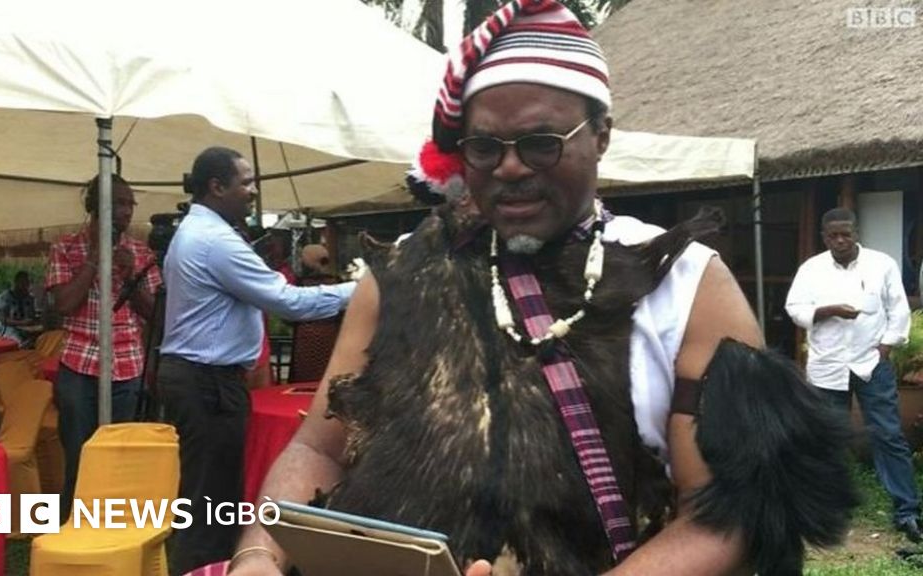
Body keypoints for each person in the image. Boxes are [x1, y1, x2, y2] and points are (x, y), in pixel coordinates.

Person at [228, 2, 855, 576]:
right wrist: (257, 555)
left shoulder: (687, 285)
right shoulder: (398, 275)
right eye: (484, 147)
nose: (510, 166)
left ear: (600, 134)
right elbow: (318, 448)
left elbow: (725, 514)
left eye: (540, 143)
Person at [158, 146, 356, 576]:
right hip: (207, 380)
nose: (253, 191)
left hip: (200, 376)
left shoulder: (198, 231)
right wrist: (364, 290)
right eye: (245, 183)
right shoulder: (214, 241)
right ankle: (199, 569)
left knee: (208, 497)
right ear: (217, 186)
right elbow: (288, 302)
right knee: (209, 504)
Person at [786, 207, 921, 542]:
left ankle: (907, 511)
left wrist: (885, 349)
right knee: (828, 438)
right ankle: (830, 508)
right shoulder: (811, 269)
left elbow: (898, 310)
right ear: (824, 237)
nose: (840, 240)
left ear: (856, 233)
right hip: (828, 366)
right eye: (833, 235)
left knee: (888, 435)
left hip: (870, 364)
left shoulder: (881, 265)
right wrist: (829, 310)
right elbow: (795, 309)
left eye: (846, 234)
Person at [44, 174, 161, 519]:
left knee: (119, 453)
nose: (126, 211)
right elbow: (64, 304)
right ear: (95, 206)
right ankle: (72, 523)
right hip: (78, 365)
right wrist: (95, 260)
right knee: (79, 452)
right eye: (118, 203)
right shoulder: (65, 248)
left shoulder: (141, 252)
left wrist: (129, 276)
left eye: (129, 204)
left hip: (127, 366)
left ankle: (113, 523)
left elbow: (155, 313)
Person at [0, 270, 38, 345]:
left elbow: (32, 316)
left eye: (27, 283)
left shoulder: (30, 298)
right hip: (7, 329)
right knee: (17, 342)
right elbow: (2, 319)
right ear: (16, 282)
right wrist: (21, 323)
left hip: (27, 330)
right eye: (22, 283)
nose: (25, 286)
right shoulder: (3, 298)